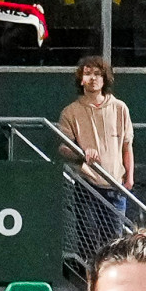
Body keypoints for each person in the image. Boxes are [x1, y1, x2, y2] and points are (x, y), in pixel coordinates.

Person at [57, 57, 135, 272]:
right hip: (87, 185)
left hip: (115, 186)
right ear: (81, 79)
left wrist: (129, 177)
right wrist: (81, 154)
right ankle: (91, 284)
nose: (93, 78)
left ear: (105, 78)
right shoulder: (70, 111)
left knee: (115, 245)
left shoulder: (120, 108)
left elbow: (127, 145)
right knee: (89, 241)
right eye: (88, 73)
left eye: (98, 74)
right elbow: (63, 148)